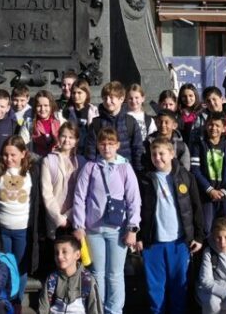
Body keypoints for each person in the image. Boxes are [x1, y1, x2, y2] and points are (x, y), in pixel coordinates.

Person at [72, 127, 141, 314]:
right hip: (94, 229)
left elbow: (134, 199)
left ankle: (115, 310)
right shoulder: (90, 167)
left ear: (117, 145)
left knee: (115, 274)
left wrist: (132, 228)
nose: (107, 148)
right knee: (97, 273)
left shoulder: (125, 168)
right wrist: (78, 225)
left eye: (111, 144)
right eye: (103, 144)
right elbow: (79, 197)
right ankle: (98, 308)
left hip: (117, 229)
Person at [138, 137, 204, 314]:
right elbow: (137, 209)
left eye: (162, 153)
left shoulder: (185, 176)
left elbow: (196, 207)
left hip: (179, 242)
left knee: (178, 286)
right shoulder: (144, 178)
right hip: (153, 243)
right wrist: (138, 236)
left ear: (172, 154)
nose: (157, 158)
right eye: (154, 154)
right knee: (155, 288)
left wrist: (198, 236)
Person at [0, 135, 46, 311]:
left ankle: (17, 300)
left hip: (23, 230)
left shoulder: (32, 172)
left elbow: (37, 200)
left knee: (21, 267)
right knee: (3, 265)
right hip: (2, 228)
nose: (8, 159)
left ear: (23, 153)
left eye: (13, 155)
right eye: (5, 155)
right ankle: (4, 300)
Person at [191, 114, 226, 235]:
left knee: (225, 227)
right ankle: (208, 252)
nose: (213, 128)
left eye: (217, 125)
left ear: (224, 128)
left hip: (225, 196)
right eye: (210, 125)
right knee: (207, 227)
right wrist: (209, 190)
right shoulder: (198, 145)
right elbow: (195, 170)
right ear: (206, 126)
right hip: (207, 195)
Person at [81, 81, 144, 172]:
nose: (108, 101)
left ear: (121, 99)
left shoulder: (130, 122)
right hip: (102, 171)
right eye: (105, 98)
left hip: (125, 171)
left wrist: (138, 172)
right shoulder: (96, 124)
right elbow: (91, 151)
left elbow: (137, 149)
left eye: (111, 98)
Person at [37, 234, 103, 314]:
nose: (59, 256)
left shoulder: (87, 279)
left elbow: (94, 309)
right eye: (56, 253)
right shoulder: (52, 279)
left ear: (77, 255)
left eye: (64, 252)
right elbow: (43, 308)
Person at [41, 121, 83, 236]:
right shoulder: (48, 160)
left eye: (71, 137)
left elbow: (84, 193)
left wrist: (69, 215)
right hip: (55, 218)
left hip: (76, 216)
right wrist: (59, 218)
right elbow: (47, 194)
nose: (67, 140)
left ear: (76, 141)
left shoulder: (82, 162)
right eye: (64, 136)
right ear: (58, 137)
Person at [142, 108, 190, 172]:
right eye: (160, 122)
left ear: (174, 125)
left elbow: (185, 169)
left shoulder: (181, 146)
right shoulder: (148, 143)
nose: (163, 125)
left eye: (166, 122)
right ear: (156, 123)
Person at [25, 90, 61, 157]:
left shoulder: (60, 121)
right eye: (39, 106)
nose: (42, 109)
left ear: (51, 106)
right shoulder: (29, 123)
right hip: (36, 160)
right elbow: (23, 144)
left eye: (46, 105)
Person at [61, 80, 95, 146]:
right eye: (74, 93)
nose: (76, 96)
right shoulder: (67, 112)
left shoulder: (93, 111)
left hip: (88, 147)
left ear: (86, 94)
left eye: (79, 93)